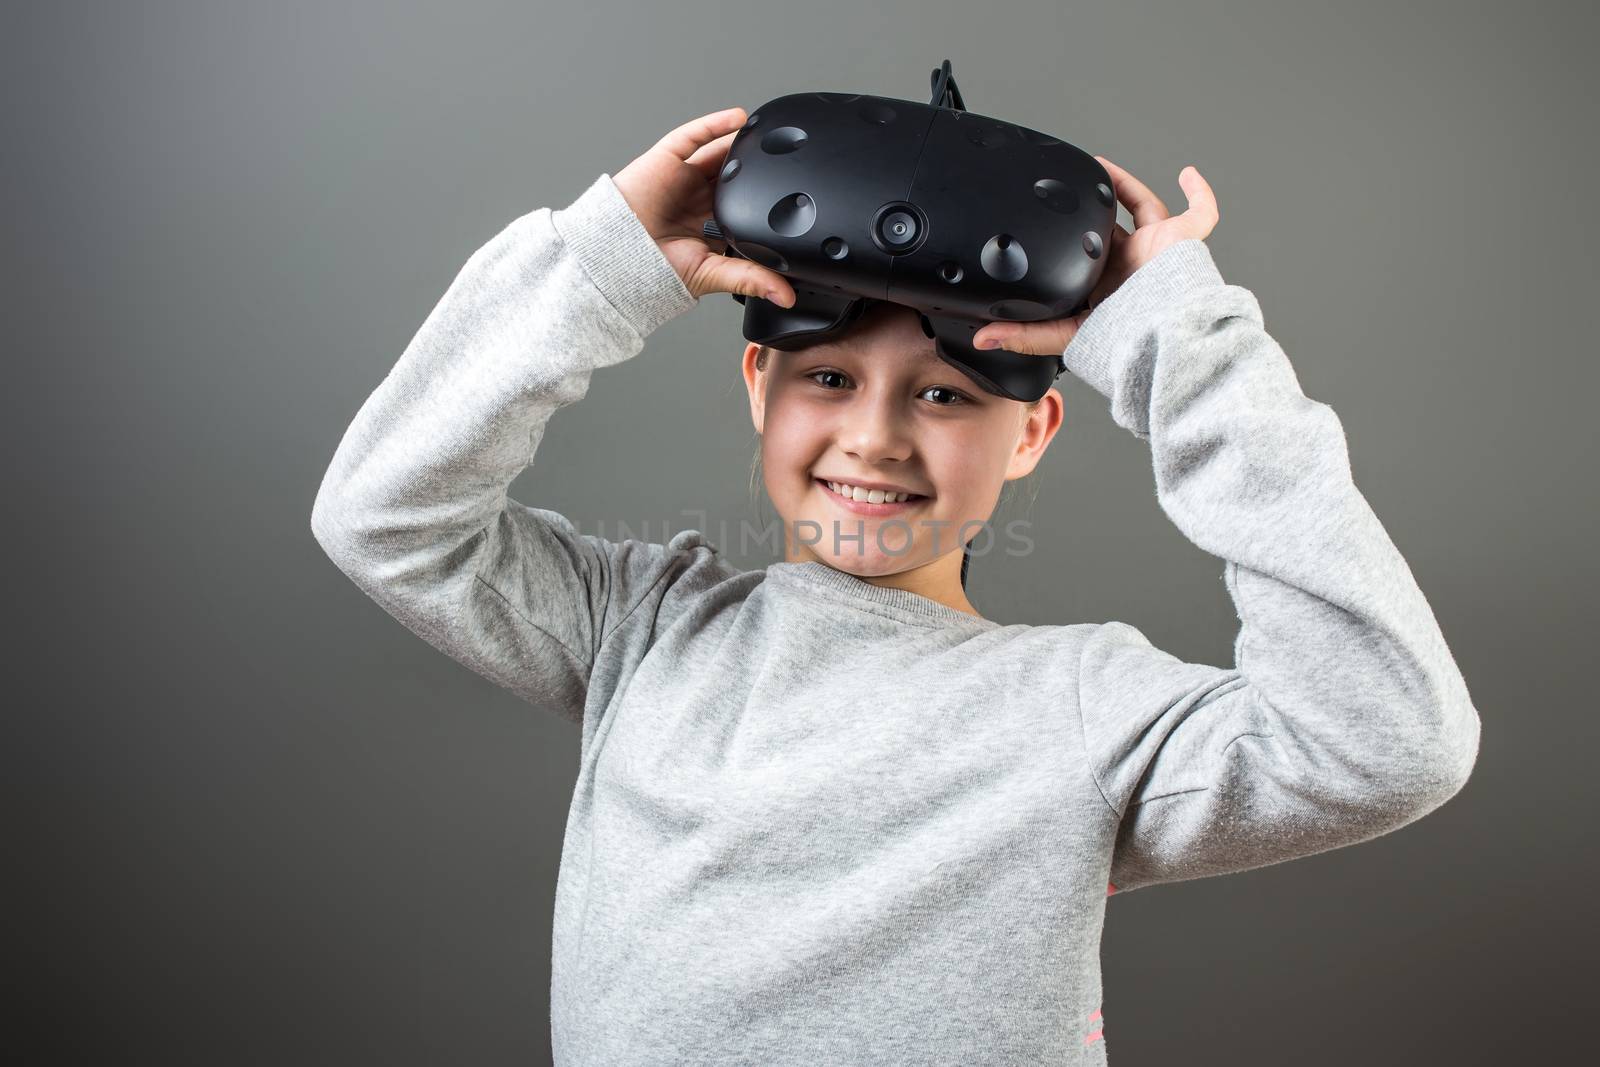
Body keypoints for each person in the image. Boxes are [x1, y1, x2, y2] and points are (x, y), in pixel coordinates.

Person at [310, 106, 1481, 1065]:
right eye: (828, 376)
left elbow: (1388, 739)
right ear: (757, 384)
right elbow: (386, 514)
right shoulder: (642, 630)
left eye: (942, 395)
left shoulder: (1082, 708)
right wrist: (604, 261)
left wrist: (1181, 346)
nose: (872, 439)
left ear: (1031, 434)